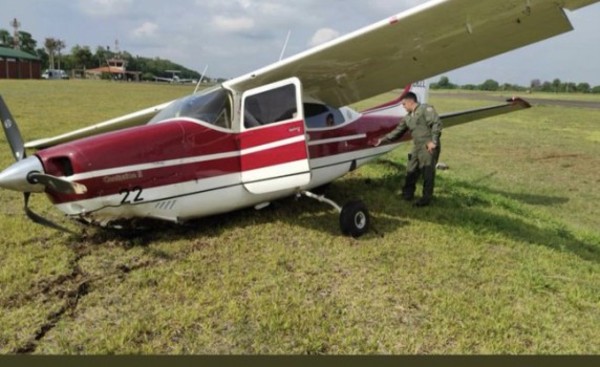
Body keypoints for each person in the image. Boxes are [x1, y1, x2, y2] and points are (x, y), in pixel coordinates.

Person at [373, 92, 442, 207]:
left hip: (428, 145)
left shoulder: (425, 109)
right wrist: (383, 140)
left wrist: (434, 141)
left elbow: (436, 123)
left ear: (411, 101)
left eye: (404, 104)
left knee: (427, 172)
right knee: (411, 169)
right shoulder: (408, 118)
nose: (403, 107)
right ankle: (407, 194)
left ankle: (426, 199)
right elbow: (397, 132)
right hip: (417, 146)